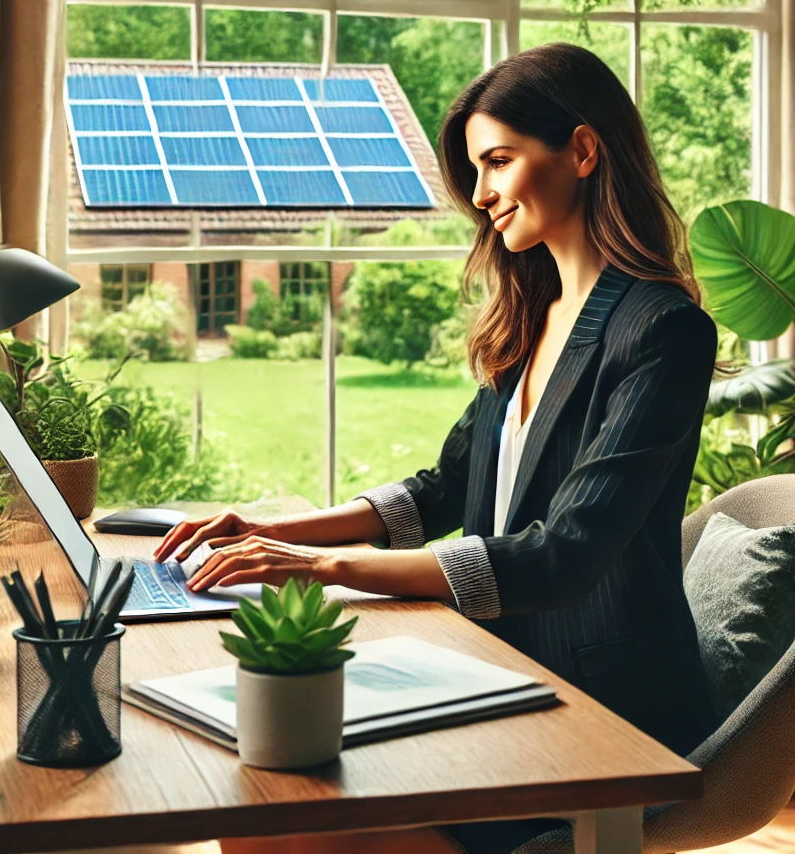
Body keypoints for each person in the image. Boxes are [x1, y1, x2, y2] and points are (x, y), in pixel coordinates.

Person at [154, 43, 721, 854]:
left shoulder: (662, 330)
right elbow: (440, 491)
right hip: (497, 669)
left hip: (607, 708)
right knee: (263, 787)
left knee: (282, 821)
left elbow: (564, 555)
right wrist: (274, 532)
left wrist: (322, 568)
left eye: (499, 161)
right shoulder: (533, 314)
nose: (482, 195)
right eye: (477, 170)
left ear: (583, 151)